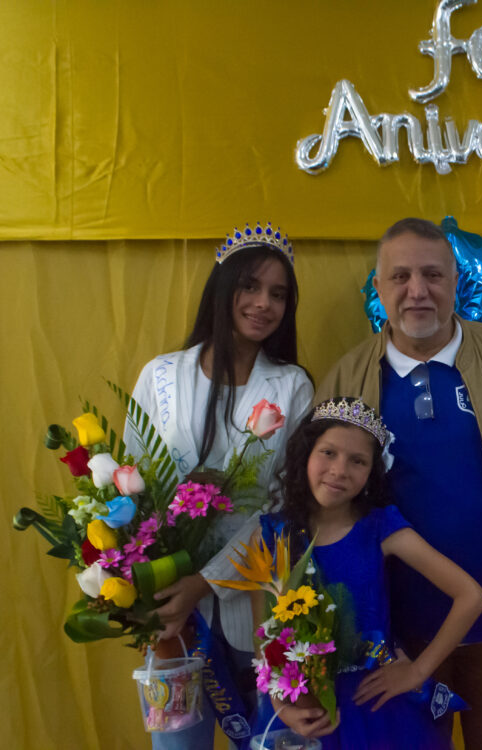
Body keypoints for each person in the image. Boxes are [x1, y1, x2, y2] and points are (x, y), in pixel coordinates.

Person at [314, 217, 482, 749]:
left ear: (455, 283)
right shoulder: (346, 381)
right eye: (399, 277)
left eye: (432, 275)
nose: (417, 291)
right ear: (378, 288)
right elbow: (312, 502)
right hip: (392, 641)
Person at [125, 222, 314, 750]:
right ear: (223, 288)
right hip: (170, 619)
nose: (263, 304)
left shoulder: (292, 385)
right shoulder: (160, 376)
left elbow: (283, 507)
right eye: (250, 287)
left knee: (267, 741)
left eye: (278, 294)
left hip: (258, 610)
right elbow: (132, 491)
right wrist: (155, 591)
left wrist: (203, 583)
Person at [255, 397, 482, 749]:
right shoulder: (275, 534)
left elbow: (472, 596)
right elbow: (263, 633)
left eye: (358, 461)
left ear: (370, 474)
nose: (339, 470)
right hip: (302, 707)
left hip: (376, 706)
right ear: (305, 454)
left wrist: (418, 671)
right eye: (328, 453)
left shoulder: (381, 527)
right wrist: (279, 702)